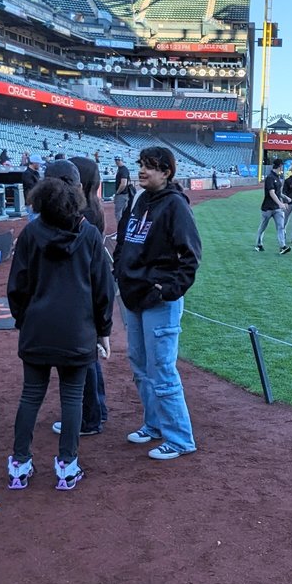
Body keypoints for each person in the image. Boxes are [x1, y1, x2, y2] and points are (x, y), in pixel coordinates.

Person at [6, 171, 113, 491]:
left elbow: (17, 287)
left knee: (30, 397)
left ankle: (19, 465)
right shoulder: (90, 235)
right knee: (72, 399)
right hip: (77, 332)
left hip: (38, 329)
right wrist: (102, 330)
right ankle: (67, 466)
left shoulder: (29, 234)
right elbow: (102, 289)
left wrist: (25, 319)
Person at [112, 147, 201, 461]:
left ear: (167, 172)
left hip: (158, 300)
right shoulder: (139, 200)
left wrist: (168, 290)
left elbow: (191, 257)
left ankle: (180, 439)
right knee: (140, 366)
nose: (142, 171)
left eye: (150, 167)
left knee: (161, 369)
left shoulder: (175, 205)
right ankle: (153, 425)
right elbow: (124, 240)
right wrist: (119, 272)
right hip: (133, 295)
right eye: (141, 165)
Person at [50, 157, 111, 440]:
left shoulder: (82, 213)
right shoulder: (93, 209)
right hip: (87, 295)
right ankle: (95, 412)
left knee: (82, 363)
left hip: (77, 297)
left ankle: (89, 418)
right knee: (89, 361)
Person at [255, 160, 290, 254]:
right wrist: (280, 203)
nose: (282, 168)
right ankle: (258, 244)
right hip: (267, 208)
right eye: (282, 166)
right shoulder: (270, 178)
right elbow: (271, 193)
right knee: (263, 227)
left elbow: (278, 192)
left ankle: (283, 246)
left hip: (277, 208)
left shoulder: (277, 177)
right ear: (279, 166)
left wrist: (285, 197)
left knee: (281, 226)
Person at [112, 156, 134, 226]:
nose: (116, 162)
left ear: (121, 160)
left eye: (118, 160)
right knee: (124, 214)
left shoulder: (123, 170)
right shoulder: (121, 169)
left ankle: (120, 232)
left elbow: (123, 184)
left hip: (121, 195)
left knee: (118, 214)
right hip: (124, 194)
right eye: (116, 160)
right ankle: (123, 231)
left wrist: (117, 193)